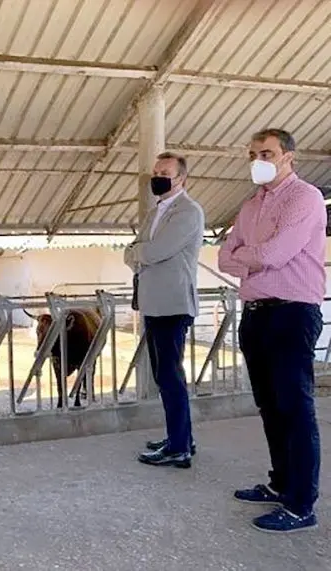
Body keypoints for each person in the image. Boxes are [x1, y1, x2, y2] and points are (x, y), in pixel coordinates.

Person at [218, 128, 326, 533]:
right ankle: (280, 483)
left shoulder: (306, 198)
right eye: (252, 154)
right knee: (270, 405)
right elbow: (224, 255)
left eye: (266, 152)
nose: (257, 160)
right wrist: (252, 259)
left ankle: (301, 503)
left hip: (292, 312)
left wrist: (248, 257)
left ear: (288, 157)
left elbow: (276, 254)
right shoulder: (250, 206)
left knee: (295, 408)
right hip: (256, 312)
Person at [124, 151, 204, 468]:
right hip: (155, 304)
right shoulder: (156, 211)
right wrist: (138, 253)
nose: (156, 176)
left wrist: (138, 253)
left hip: (172, 304)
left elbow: (153, 251)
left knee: (170, 377)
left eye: (165, 172)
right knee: (164, 375)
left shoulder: (188, 212)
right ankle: (180, 437)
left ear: (181, 178)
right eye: (156, 170)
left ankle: (178, 448)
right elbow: (132, 250)